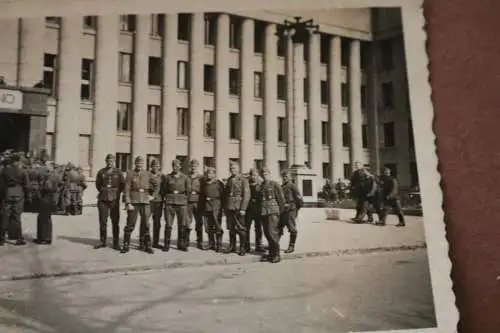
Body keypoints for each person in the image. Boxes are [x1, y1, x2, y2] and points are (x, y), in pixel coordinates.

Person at [121, 156, 156, 254]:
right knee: (130, 223)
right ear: (135, 164)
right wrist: (128, 202)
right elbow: (127, 189)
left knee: (146, 223)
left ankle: (147, 245)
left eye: (141, 163)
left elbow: (157, 184)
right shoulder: (130, 174)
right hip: (134, 201)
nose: (139, 165)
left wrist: (153, 195)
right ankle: (126, 244)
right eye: (138, 163)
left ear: (143, 164)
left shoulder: (148, 174)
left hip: (145, 201)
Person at [94, 154, 125, 250]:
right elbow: (98, 185)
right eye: (108, 161)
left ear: (114, 161)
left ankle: (116, 243)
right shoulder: (101, 172)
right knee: (103, 221)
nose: (109, 162)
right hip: (103, 199)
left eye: (111, 161)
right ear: (105, 161)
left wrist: (115, 193)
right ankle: (102, 241)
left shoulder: (118, 172)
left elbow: (122, 185)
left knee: (115, 221)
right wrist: (105, 192)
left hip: (114, 199)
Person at [160, 159, 191, 252]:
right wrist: (166, 199)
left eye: (177, 166)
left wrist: (185, 201)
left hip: (181, 203)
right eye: (174, 165)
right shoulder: (167, 177)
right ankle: (167, 244)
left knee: (182, 224)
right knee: (168, 224)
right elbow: (163, 190)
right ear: (172, 166)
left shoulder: (185, 178)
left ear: (180, 167)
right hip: (170, 203)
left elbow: (188, 192)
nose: (175, 167)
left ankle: (181, 244)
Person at [0, 154, 29, 246]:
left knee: (5, 216)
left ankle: (1, 239)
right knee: (17, 217)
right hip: (19, 194)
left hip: (7, 193)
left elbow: (1, 185)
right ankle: (18, 238)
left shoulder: (5, 170)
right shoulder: (22, 171)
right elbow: (27, 185)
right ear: (18, 161)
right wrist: (28, 196)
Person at [223, 161, 250, 256]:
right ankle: (232, 246)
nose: (232, 170)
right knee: (231, 228)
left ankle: (243, 247)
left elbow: (246, 195)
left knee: (241, 228)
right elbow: (226, 194)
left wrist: (243, 208)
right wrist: (225, 208)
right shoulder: (230, 179)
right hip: (230, 206)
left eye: (234, 168)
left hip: (239, 207)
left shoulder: (243, 180)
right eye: (231, 168)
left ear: (238, 169)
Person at [259, 167, 285, 263]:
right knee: (267, 233)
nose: (264, 176)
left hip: (273, 211)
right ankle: (271, 253)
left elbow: (281, 200)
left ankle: (277, 255)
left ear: (269, 174)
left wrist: (280, 214)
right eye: (263, 174)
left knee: (272, 233)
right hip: (264, 212)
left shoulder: (275, 184)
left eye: (266, 174)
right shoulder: (261, 185)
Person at [35, 161, 63, 244]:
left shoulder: (48, 176)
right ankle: (46, 237)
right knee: (47, 219)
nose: (45, 167)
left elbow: (47, 187)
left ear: (50, 167)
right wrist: (57, 191)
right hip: (51, 198)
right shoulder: (56, 175)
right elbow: (61, 184)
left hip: (45, 198)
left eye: (46, 166)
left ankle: (43, 238)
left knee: (42, 218)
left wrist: (40, 189)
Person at [198, 167, 224, 252]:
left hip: (216, 206)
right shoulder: (204, 184)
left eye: (211, 173)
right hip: (206, 206)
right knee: (208, 226)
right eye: (207, 173)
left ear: (214, 174)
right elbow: (202, 196)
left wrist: (222, 208)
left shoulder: (219, 183)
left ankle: (219, 245)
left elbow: (223, 196)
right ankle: (211, 243)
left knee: (217, 225)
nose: (209, 175)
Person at [279, 169, 303, 254]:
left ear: (290, 177)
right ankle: (275, 244)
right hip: (283, 210)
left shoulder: (292, 186)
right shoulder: (282, 186)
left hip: (290, 210)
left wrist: (295, 209)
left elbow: (300, 200)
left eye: (286, 176)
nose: (285, 178)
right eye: (283, 177)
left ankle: (291, 246)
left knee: (291, 228)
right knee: (279, 227)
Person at [186, 159, 206, 250]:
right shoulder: (186, 177)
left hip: (198, 202)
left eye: (195, 166)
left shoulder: (202, 178)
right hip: (188, 202)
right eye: (192, 166)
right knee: (187, 222)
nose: (193, 168)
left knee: (199, 222)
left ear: (198, 167)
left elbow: (205, 190)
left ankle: (200, 242)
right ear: (190, 167)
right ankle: (186, 241)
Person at [245, 168, 265, 253]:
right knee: (246, 228)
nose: (253, 177)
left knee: (258, 228)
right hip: (248, 209)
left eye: (255, 175)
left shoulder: (261, 185)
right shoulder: (247, 184)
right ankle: (246, 246)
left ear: (258, 175)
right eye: (252, 175)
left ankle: (259, 245)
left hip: (258, 209)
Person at [148, 159, 164, 249]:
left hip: (158, 201)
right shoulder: (147, 175)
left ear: (159, 167)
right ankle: (144, 241)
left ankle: (155, 242)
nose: (155, 167)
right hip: (148, 200)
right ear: (151, 167)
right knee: (146, 221)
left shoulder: (162, 176)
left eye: (157, 166)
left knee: (157, 222)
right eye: (154, 166)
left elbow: (164, 188)